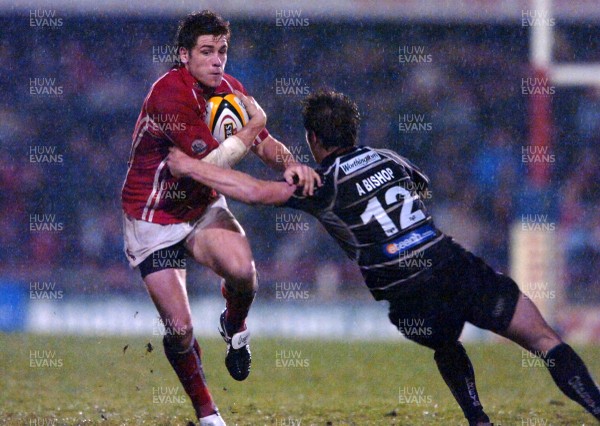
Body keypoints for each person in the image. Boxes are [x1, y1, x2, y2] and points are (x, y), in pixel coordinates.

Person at [166, 89, 600, 426]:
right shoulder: (389, 157)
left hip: (404, 288)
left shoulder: (323, 182)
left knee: (444, 341)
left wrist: (191, 166)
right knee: (544, 340)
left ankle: (478, 418)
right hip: (447, 261)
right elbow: (422, 186)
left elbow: (255, 193)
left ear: (313, 139)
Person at [121, 11, 317, 426]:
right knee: (179, 330)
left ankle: (234, 323)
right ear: (184, 56)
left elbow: (264, 144)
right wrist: (255, 125)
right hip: (152, 215)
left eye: (222, 51)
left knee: (243, 272)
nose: (217, 60)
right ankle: (208, 414)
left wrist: (290, 164)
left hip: (201, 208)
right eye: (206, 52)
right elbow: (212, 162)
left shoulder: (231, 90)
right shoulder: (168, 95)